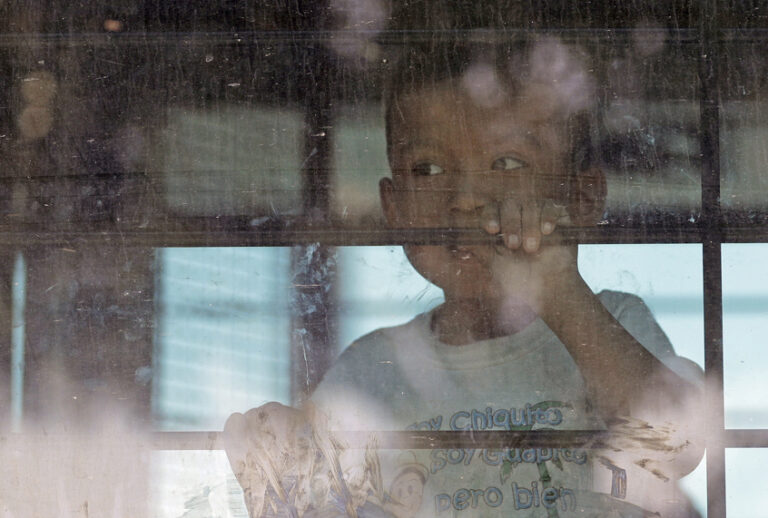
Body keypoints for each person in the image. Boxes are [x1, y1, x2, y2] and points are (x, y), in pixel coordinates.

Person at [225, 37, 704, 518]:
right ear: (395, 209)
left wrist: (557, 289)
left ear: (582, 197)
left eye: (508, 162)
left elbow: (677, 446)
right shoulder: (373, 368)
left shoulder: (613, 320)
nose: (466, 198)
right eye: (428, 168)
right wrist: (281, 470)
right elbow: (325, 501)